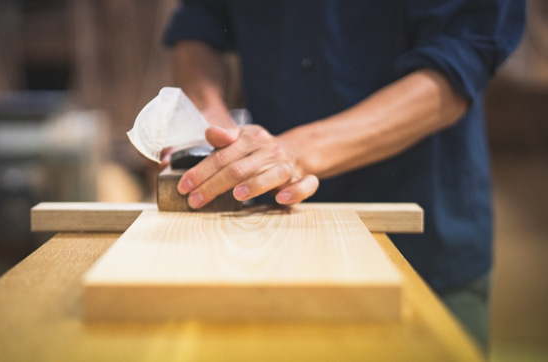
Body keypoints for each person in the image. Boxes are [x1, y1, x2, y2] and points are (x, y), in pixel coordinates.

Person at [162, 0, 525, 348]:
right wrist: (209, 119)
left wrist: (297, 151)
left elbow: (461, 58)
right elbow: (202, 19)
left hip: (422, 241)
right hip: (271, 239)